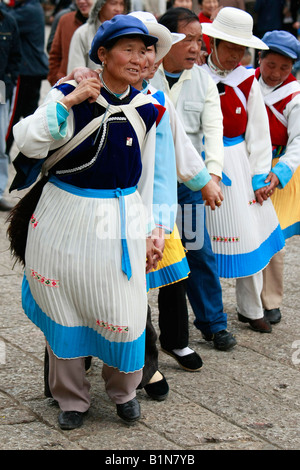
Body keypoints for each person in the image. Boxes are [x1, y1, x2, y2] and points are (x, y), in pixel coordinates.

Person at [9, 14, 164, 430]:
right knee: (66, 308)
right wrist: (70, 100)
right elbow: (25, 141)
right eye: (127, 49)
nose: (138, 58)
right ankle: (71, 399)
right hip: (63, 215)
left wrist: (154, 230)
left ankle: (124, 390)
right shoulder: (70, 91)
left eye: (144, 50)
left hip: (119, 219)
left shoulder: (148, 108)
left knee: (126, 310)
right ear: (102, 54)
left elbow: (147, 177)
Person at [151, 7, 237, 352]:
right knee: (147, 254)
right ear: (166, 39)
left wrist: (212, 173)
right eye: (188, 39)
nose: (195, 48)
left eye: (199, 41)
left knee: (198, 251)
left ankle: (213, 324)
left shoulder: (202, 80)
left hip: (188, 186)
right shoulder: (145, 74)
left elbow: (213, 129)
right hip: (149, 186)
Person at [200, 7, 285, 333]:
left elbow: (259, 134)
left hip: (238, 160)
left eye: (242, 49)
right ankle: (207, 314)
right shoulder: (196, 77)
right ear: (214, 43)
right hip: (202, 165)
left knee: (247, 236)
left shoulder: (247, 80)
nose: (236, 55)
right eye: (231, 47)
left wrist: (259, 175)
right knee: (198, 241)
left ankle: (250, 309)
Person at [255, 30, 300, 324]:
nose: (277, 73)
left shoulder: (294, 96)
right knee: (247, 233)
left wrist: (279, 172)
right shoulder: (244, 81)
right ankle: (251, 300)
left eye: (285, 68)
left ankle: (270, 300)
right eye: (271, 65)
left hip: (279, 166)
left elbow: (298, 140)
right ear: (260, 58)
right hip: (248, 162)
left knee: (274, 236)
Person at [5, 0, 49, 156]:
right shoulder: (31, 7)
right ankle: (31, 158)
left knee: (11, 117)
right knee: (30, 117)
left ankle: (3, 153)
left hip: (25, 73)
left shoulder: (28, 10)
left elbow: (4, 19)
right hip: (32, 72)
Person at [0, 2, 21, 211]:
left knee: (0, 145)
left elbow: (16, 57)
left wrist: (8, 80)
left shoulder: (8, 21)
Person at [67, 0, 127, 73]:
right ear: (100, 5)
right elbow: (75, 72)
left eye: (122, 4)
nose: (118, 9)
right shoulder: (82, 33)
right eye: (113, 3)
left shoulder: (129, 34)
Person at [47, 0, 94, 86]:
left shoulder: (106, 24)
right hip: (67, 87)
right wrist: (57, 81)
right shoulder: (65, 20)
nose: (81, 1)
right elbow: (54, 54)